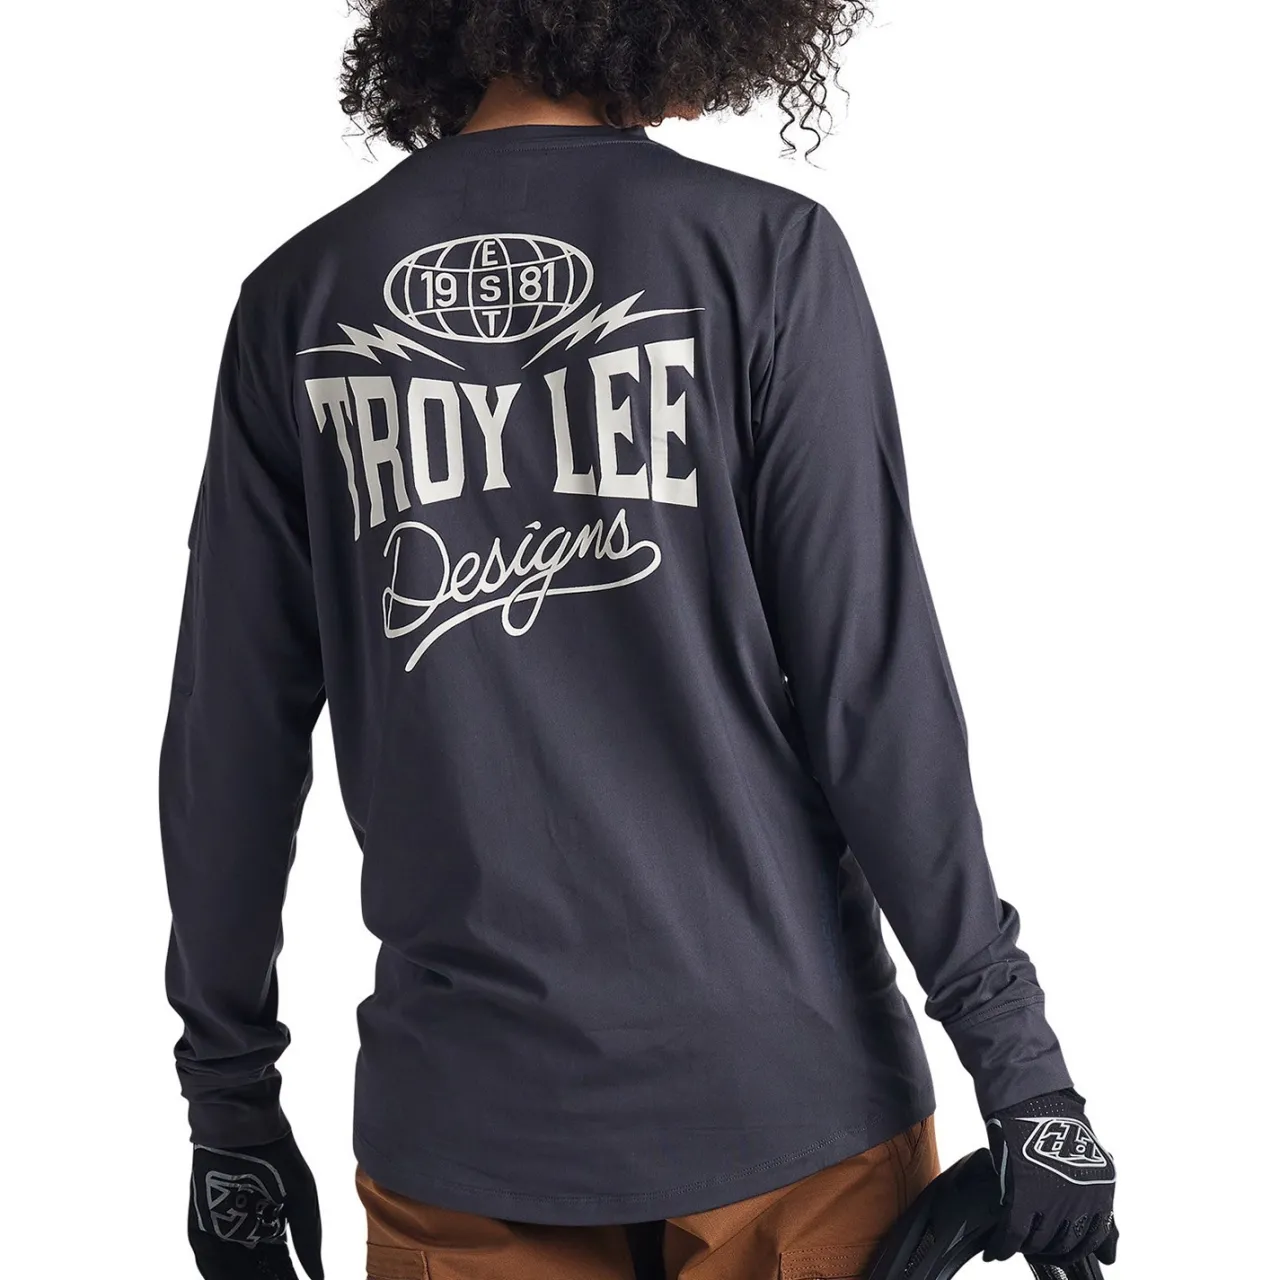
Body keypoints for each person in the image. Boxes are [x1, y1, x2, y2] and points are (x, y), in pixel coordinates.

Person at [159, 4, 1120, 1279]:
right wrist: (1025, 1077)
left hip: (464, 1122)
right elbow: (871, 693)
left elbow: (228, 741)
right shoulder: (763, 253)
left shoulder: (298, 298)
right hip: (788, 1101)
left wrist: (228, 1106)